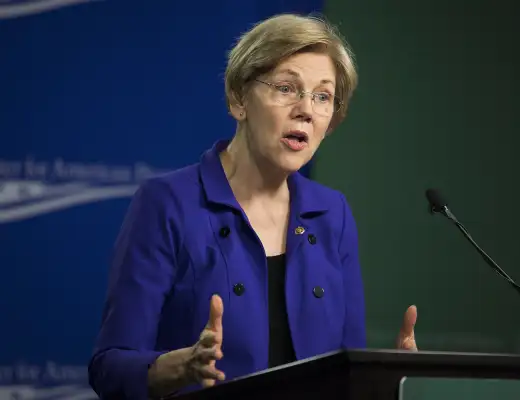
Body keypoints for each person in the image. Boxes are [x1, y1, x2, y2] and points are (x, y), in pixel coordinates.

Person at [87, 13, 418, 399]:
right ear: (238, 99)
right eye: (287, 88)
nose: (306, 110)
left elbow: (348, 374)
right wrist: (182, 367)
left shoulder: (332, 214)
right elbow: (110, 368)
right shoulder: (167, 204)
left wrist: (390, 380)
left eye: (323, 96)